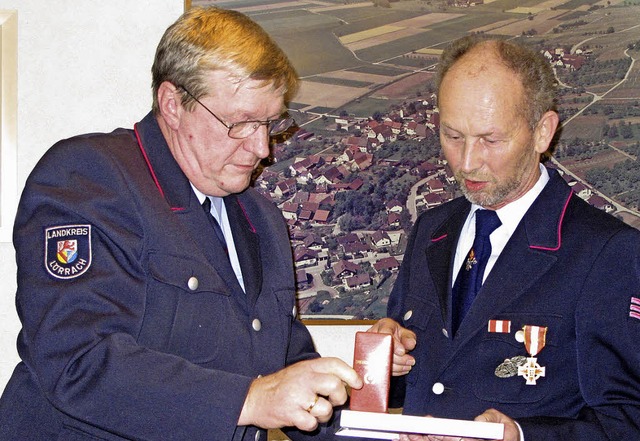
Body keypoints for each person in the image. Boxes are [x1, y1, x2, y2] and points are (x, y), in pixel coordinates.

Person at [0, 7, 365, 441]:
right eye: (242, 123)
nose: (263, 147)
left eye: (270, 123)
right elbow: (78, 360)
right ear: (172, 104)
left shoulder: (261, 219)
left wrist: (392, 429)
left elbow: (290, 374)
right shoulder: (89, 177)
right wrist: (251, 399)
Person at [370, 35, 640, 440]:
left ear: (542, 132)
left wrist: (520, 435)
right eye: (453, 136)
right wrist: (387, 363)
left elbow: (628, 421)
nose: (466, 162)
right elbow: (431, 382)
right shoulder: (432, 230)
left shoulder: (606, 252)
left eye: (490, 140)